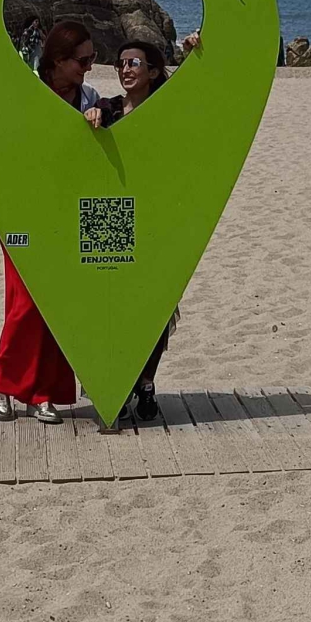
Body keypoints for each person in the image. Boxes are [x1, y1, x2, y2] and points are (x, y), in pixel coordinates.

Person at [0, 22, 105, 424]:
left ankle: (41, 392)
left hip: (67, 213)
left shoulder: (89, 98)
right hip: (21, 211)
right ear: (57, 61)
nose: (89, 67)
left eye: (92, 59)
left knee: (57, 303)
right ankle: (0, 379)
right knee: (26, 303)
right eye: (82, 60)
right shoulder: (28, 91)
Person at [85, 38, 179, 421]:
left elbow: (198, 94)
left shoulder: (166, 106)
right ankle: (118, 383)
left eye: (134, 63)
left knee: (156, 305)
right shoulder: (108, 108)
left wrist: (196, 49)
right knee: (112, 303)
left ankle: (146, 381)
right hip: (113, 214)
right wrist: (92, 114)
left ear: (153, 71)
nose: (125, 69)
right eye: (121, 63)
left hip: (155, 215)